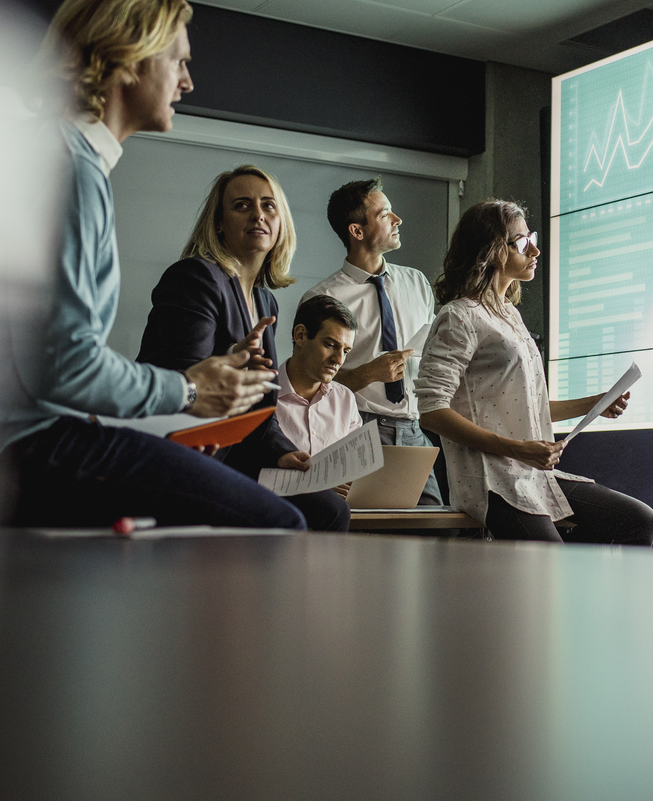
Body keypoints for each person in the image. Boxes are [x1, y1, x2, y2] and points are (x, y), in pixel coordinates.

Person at [0, 0, 305, 530]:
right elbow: (65, 365)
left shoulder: (49, 154)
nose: (186, 82)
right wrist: (190, 389)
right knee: (279, 525)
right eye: (178, 61)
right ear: (128, 59)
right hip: (17, 446)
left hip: (3, 440)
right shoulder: (70, 170)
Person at [416, 200, 653, 545]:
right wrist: (517, 449)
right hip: (493, 481)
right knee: (552, 567)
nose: (535, 249)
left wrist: (595, 403)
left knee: (639, 520)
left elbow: (528, 405)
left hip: (533, 473)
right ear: (492, 249)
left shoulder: (510, 315)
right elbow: (432, 413)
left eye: (532, 237)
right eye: (522, 241)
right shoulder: (459, 317)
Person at [134, 165, 349, 532]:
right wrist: (231, 361)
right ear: (218, 223)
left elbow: (261, 410)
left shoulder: (266, 303)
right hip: (185, 455)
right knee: (295, 520)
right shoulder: (196, 278)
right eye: (242, 206)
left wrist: (283, 452)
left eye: (268, 206)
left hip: (236, 455)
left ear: (281, 223)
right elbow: (182, 384)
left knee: (330, 509)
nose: (258, 215)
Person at [302, 179, 441, 505]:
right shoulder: (323, 299)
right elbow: (308, 388)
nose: (398, 220)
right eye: (385, 214)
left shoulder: (417, 283)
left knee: (438, 526)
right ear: (357, 231)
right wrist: (368, 374)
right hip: (359, 429)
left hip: (414, 429)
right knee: (368, 531)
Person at [271, 295, 362, 527]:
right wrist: (313, 486)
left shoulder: (345, 399)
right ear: (300, 335)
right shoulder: (262, 395)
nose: (339, 359)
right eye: (331, 345)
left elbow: (355, 468)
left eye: (346, 350)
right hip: (277, 516)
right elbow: (248, 472)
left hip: (336, 517)